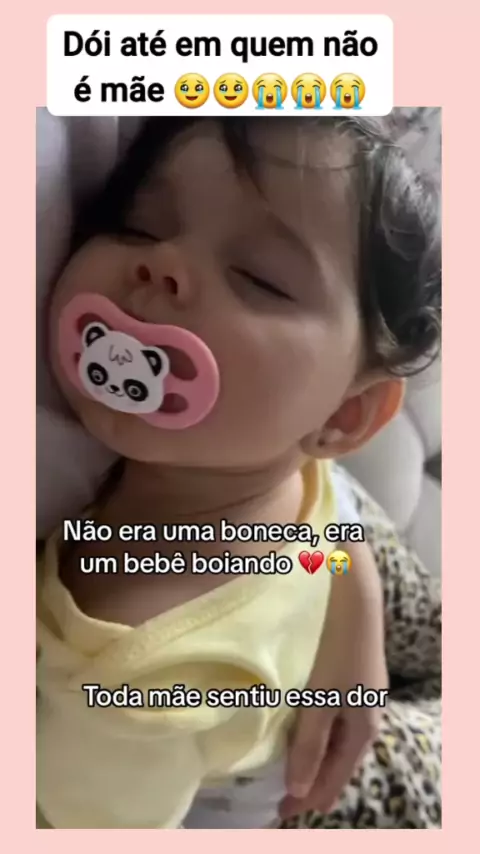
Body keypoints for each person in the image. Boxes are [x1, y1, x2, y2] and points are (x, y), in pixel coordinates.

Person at [36, 115, 441, 829]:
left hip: (341, 535)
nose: (163, 263)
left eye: (258, 277)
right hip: (300, 776)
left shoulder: (263, 455)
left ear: (343, 416)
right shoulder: (143, 675)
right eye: (138, 226)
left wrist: (355, 595)